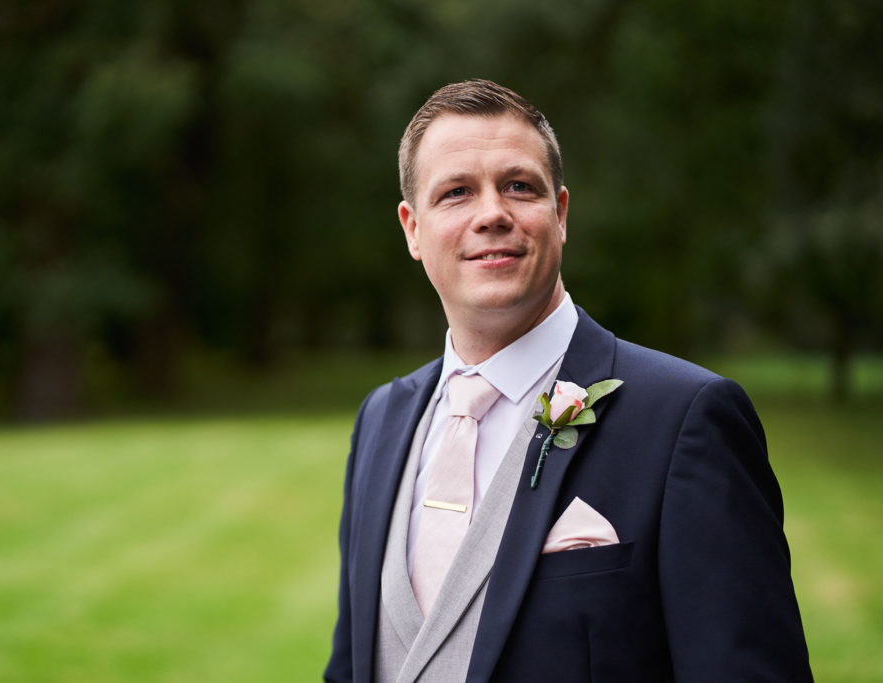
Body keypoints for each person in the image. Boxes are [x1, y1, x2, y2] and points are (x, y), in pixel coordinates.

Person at [325, 79, 812, 683]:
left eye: (518, 187)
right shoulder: (381, 419)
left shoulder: (686, 418)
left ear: (559, 213)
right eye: (456, 193)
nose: (493, 214)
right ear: (412, 230)